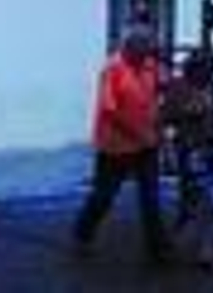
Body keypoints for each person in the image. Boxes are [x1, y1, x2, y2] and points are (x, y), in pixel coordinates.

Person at [72, 23, 174, 265]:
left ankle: (158, 247)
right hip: (115, 147)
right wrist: (137, 133)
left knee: (150, 197)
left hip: (146, 144)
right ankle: (83, 233)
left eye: (150, 49)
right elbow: (110, 111)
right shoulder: (113, 69)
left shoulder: (150, 65)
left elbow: (163, 86)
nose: (148, 54)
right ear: (130, 48)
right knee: (104, 195)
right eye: (145, 49)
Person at [162, 47, 213, 268]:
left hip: (207, 149)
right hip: (189, 150)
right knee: (198, 199)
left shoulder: (209, 87)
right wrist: (169, 151)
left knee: (197, 198)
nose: (209, 74)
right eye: (206, 69)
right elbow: (166, 119)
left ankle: (184, 238)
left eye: (212, 69)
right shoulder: (178, 87)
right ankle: (202, 247)